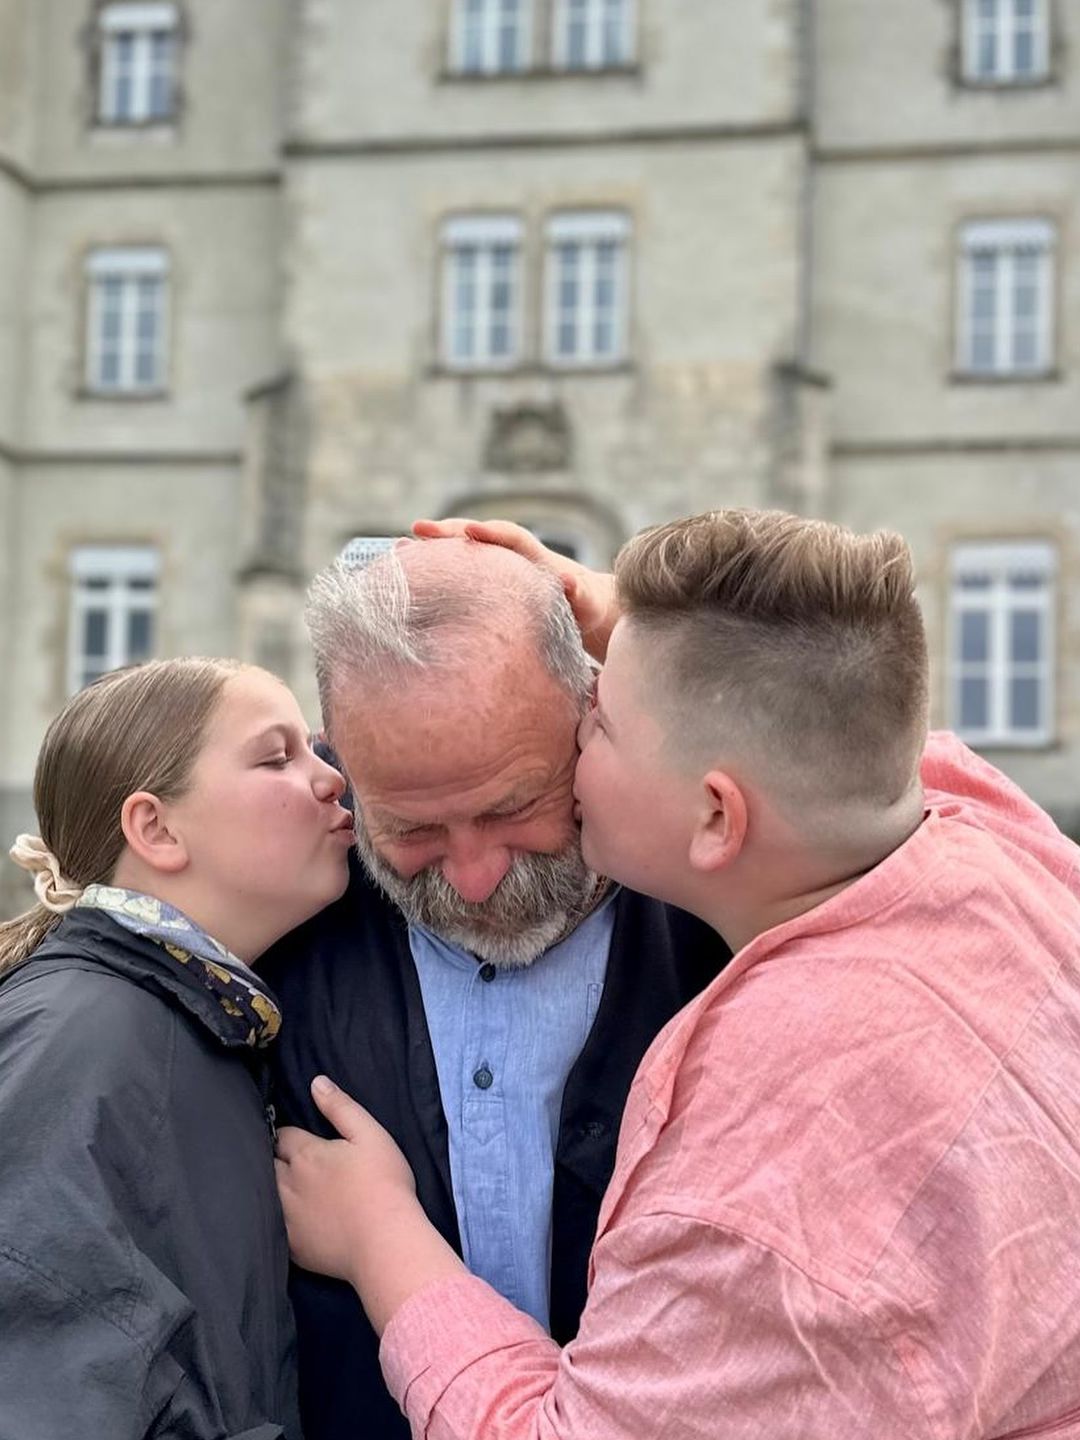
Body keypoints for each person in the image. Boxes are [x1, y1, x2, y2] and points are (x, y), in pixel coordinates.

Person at [276, 509, 1080, 1439]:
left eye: (599, 729)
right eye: (412, 829)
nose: (476, 874)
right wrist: (669, 637)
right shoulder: (1006, 855)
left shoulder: (766, 1162)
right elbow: (861, 745)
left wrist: (383, 1240)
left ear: (715, 814)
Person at [258, 537, 730, 1439]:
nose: (472, 878)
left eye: (514, 808)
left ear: (597, 713)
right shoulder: (263, 921)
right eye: (409, 829)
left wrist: (669, 646)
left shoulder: (742, 892)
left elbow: (903, 818)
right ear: (338, 766)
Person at [0, 657, 355, 1439]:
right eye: (277, 757)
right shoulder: (80, 1036)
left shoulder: (187, 1018)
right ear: (156, 828)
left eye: (315, 747)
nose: (330, 778)